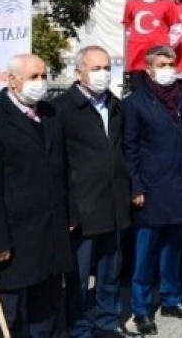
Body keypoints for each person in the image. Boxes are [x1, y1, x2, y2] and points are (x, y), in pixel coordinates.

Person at [0, 54, 75, 336]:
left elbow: (64, 169)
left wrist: (70, 214)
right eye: (33, 77)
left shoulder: (51, 115)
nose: (40, 83)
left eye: (43, 76)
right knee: (10, 312)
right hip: (15, 235)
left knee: (48, 308)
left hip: (51, 230)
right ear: (12, 80)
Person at [122, 46, 182, 334]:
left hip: (180, 187)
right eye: (162, 64)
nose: (168, 68)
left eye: (171, 63)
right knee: (145, 254)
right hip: (150, 189)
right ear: (149, 69)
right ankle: (142, 308)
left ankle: (171, 299)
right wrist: (135, 186)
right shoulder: (134, 103)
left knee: (173, 250)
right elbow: (129, 149)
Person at [52, 46, 131, 338]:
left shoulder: (116, 105)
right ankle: (79, 327)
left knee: (111, 270)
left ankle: (107, 321)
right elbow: (57, 163)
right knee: (78, 276)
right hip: (82, 207)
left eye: (107, 68)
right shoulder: (61, 109)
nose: (103, 74)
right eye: (96, 68)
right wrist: (68, 209)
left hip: (114, 203)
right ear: (79, 73)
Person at [123, 0, 179, 92]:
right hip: (137, 60)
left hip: (159, 59)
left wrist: (166, 48)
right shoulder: (131, 3)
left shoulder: (167, 3)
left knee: (161, 94)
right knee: (139, 96)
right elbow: (128, 30)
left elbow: (176, 29)